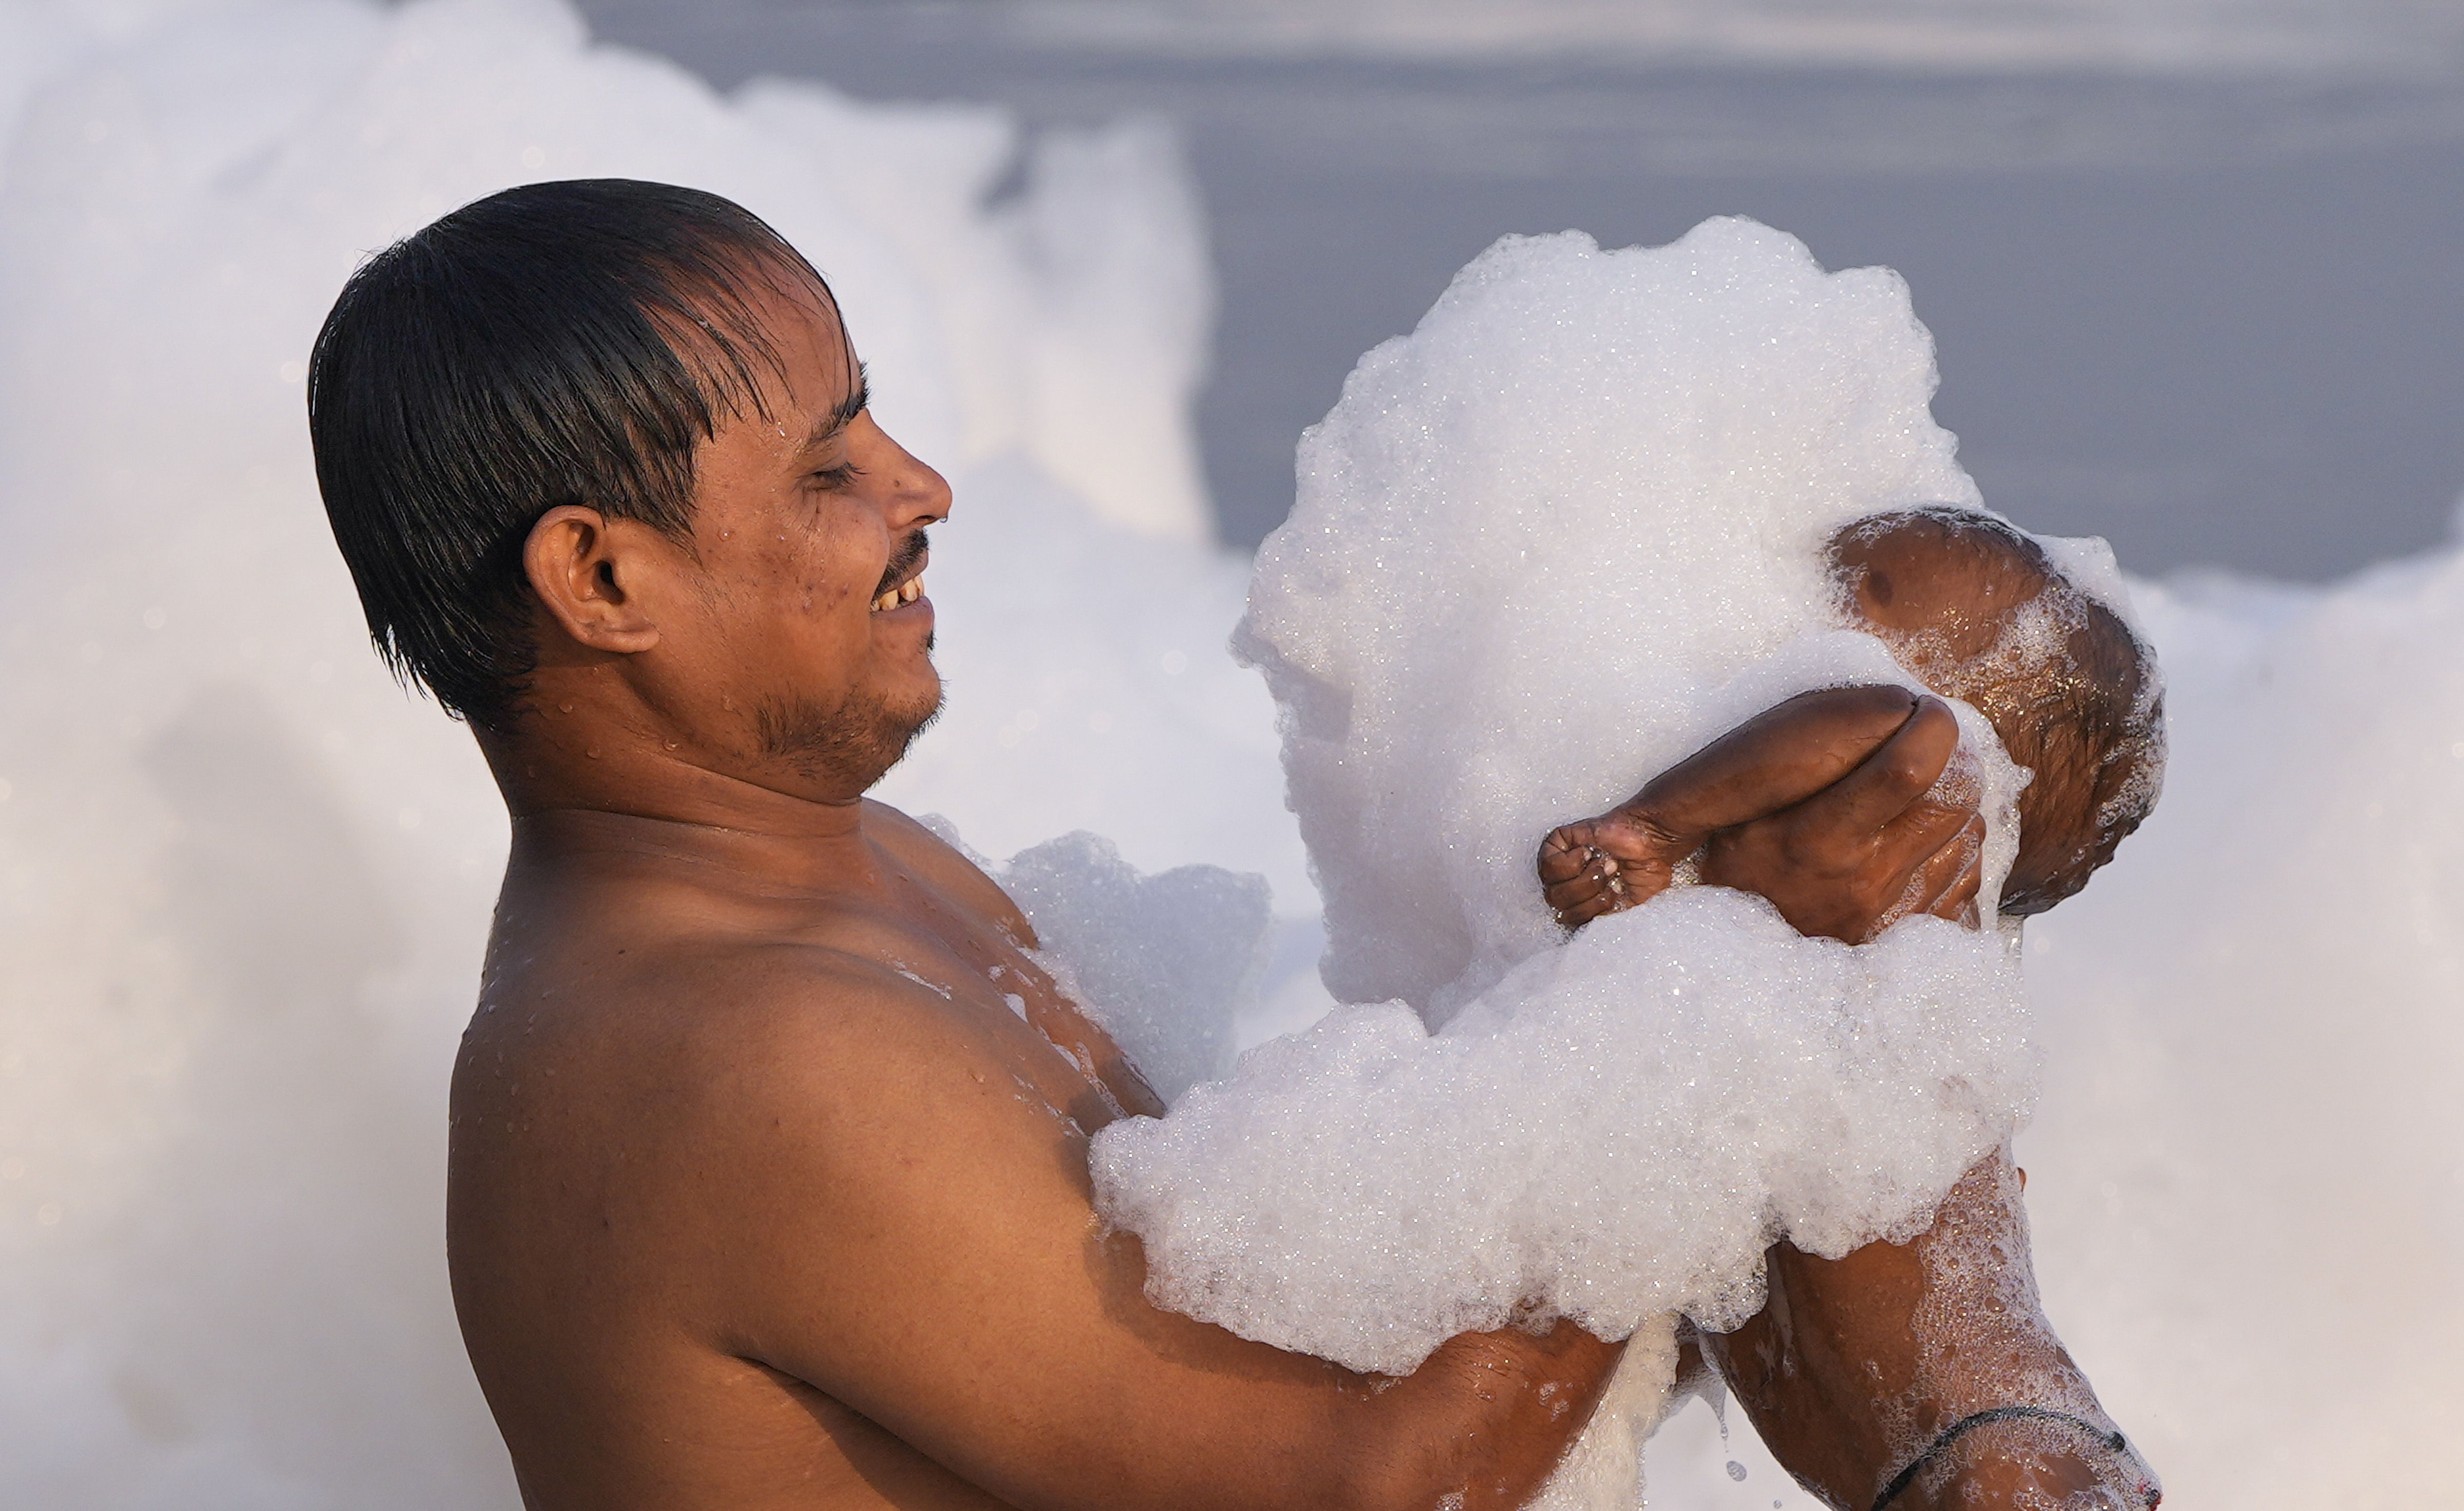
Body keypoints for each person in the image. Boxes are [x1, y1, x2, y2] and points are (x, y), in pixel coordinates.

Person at [305, 178, 2140, 1510]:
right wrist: (1700, 960)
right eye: (826, 464)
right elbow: (1384, 1485)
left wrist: (1710, 913)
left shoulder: (857, 878)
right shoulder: (723, 1054)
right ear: (604, 579)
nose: (920, 487)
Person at [1538, 507, 2166, 1510]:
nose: (1796, 620)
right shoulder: (1864, 969)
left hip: (1997, 1460)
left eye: (1862, 596)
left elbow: (1889, 725)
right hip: (1981, 1445)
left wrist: (1648, 828)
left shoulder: (1931, 769)